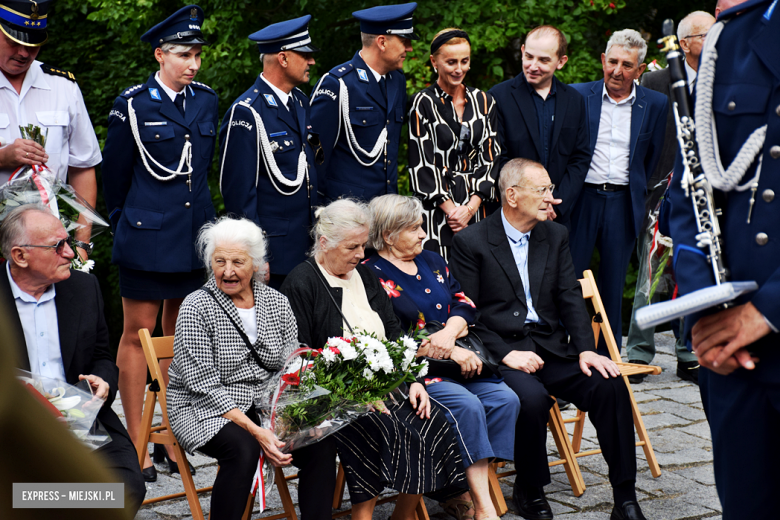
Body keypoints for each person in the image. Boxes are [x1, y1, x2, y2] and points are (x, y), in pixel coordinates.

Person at [450, 158, 645, 520]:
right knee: (531, 398)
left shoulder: (555, 235)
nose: (551, 198)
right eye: (542, 190)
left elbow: (570, 296)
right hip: (503, 352)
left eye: (551, 190)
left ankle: (625, 498)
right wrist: (506, 354)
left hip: (552, 347)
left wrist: (587, 350)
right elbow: (467, 312)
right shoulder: (471, 242)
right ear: (511, 195)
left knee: (609, 384)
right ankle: (531, 486)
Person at [280, 199, 467, 520]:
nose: (360, 254)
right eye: (352, 247)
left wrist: (413, 382)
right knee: (383, 427)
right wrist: (349, 394)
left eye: (363, 245)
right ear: (324, 243)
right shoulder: (303, 281)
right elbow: (299, 356)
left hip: (383, 385)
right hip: (333, 399)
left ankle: (403, 514)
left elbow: (395, 336)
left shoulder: (365, 276)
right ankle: (362, 517)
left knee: (431, 419)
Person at [666, 0, 780, 517]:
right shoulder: (731, 39)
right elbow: (689, 192)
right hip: (732, 357)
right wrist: (706, 310)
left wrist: (767, 309)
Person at [101, 5, 218, 482]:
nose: (192, 63)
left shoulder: (206, 100)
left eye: (196, 55)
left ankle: (171, 434)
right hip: (147, 236)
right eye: (184, 54)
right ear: (160, 54)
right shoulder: (133, 103)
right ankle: (136, 443)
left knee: (180, 337)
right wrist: (129, 225)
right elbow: (115, 177)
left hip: (193, 236)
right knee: (138, 335)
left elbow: (202, 171)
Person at [365, 194, 519, 520]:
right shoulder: (371, 274)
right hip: (416, 371)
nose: (424, 233)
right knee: (467, 406)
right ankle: (483, 506)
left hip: (458, 361)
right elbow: (386, 338)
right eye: (415, 228)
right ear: (389, 235)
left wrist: (450, 333)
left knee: (506, 399)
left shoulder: (433, 259)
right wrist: (450, 348)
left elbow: (464, 302)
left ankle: (454, 483)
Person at [0, 205, 145, 517]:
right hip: (14, 421)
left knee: (127, 486)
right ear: (20, 256)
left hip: (78, 412)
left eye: (70, 242)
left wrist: (103, 381)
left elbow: (101, 356)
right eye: (58, 246)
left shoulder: (83, 287)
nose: (71, 253)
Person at [166, 216, 297, 520]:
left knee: (319, 443)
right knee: (244, 449)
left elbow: (291, 367)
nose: (227, 271)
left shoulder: (278, 303)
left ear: (256, 264)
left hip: (266, 403)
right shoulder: (196, 306)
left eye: (237, 262)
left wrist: (286, 419)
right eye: (219, 261)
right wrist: (258, 431)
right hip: (202, 407)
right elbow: (202, 386)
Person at [625, 11, 715, 384]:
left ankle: (688, 352)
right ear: (684, 43)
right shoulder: (655, 80)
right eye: (707, 34)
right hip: (661, 192)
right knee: (650, 273)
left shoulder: (723, 79)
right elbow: (639, 140)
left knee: (694, 273)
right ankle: (639, 353)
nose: (716, 41)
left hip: (707, 194)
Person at [569, 30, 667, 354]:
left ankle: (607, 358)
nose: (617, 71)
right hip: (582, 199)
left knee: (612, 285)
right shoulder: (577, 95)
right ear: (602, 60)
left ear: (639, 70)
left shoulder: (655, 103)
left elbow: (651, 158)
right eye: (612, 62)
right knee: (569, 281)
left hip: (623, 203)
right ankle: (566, 355)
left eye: (627, 65)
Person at [220, 16, 320, 289]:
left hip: (308, 248)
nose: (311, 61)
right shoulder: (247, 112)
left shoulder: (300, 101)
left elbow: (312, 163)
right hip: (274, 252)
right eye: (306, 55)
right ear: (284, 59)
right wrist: (254, 253)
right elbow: (239, 194)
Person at [0, 0, 101, 213]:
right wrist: (2, 158)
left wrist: (82, 243)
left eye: (33, 44)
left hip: (48, 234)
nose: (24, 53)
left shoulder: (63, 86)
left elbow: (82, 167)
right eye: (14, 42)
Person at [407, 28, 500, 260]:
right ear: (434, 62)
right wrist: (453, 213)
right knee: (442, 277)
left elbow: (491, 157)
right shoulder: (423, 102)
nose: (459, 69)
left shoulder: (484, 101)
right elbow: (422, 163)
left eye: (464, 61)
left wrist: (470, 208)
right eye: (451, 62)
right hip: (438, 212)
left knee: (482, 279)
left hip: (478, 209)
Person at [310, 3, 417, 202]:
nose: (409, 49)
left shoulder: (397, 80)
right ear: (382, 42)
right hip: (347, 211)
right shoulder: (338, 84)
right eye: (404, 41)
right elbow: (315, 156)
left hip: (385, 209)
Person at [489, 25, 590, 228]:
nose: (533, 66)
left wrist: (556, 204)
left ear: (561, 62)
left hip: (557, 215)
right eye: (529, 57)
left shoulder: (574, 101)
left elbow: (579, 158)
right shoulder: (498, 97)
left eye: (543, 60)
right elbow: (498, 157)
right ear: (522, 51)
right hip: (514, 214)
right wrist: (531, 202)